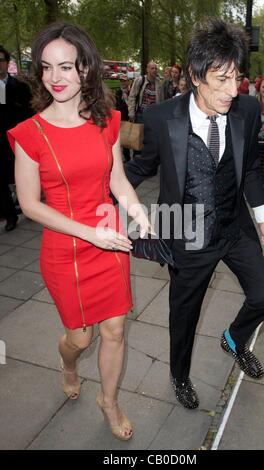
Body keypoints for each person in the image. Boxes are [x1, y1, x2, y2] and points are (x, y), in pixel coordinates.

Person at [125, 18, 264, 409]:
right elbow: (137, 169)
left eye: (237, 78)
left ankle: (233, 338)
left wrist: (262, 218)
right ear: (196, 75)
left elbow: (248, 171)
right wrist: (97, 196)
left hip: (233, 228)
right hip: (188, 238)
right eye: (222, 79)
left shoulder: (245, 109)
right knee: (185, 317)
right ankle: (179, 375)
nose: (233, 90)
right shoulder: (162, 118)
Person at [7, 22, 150, 440]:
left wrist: (137, 210)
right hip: (66, 251)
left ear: (86, 69)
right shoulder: (30, 134)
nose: (55, 77)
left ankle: (109, 400)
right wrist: (91, 234)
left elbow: (118, 181)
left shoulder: (105, 122)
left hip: (109, 242)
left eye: (66, 66)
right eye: (47, 67)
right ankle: (68, 365)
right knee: (81, 338)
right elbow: (32, 205)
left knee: (115, 330)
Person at [0, 45, 32, 231]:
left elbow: (29, 113)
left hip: (18, 140)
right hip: (0, 142)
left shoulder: (20, 87)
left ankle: (29, 206)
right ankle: (10, 214)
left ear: (7, 62)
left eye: (1, 61)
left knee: (23, 176)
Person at [115, 73, 131, 162]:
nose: (123, 83)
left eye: (125, 81)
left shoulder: (131, 90)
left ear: (128, 81)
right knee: (124, 137)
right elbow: (116, 104)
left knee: (132, 135)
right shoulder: (119, 92)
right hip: (121, 117)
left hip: (130, 116)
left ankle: (136, 156)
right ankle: (127, 157)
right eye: (121, 81)